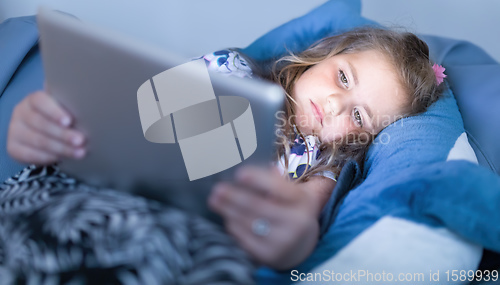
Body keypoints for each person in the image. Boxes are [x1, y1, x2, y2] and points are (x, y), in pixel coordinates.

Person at [2, 27, 443, 282]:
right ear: (322, 56)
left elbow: (299, 226)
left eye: (359, 117)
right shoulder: (232, 70)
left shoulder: (325, 165)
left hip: (186, 231)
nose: (334, 106)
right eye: (343, 78)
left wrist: (291, 242)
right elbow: (125, 116)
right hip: (98, 189)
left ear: (364, 139)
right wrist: (47, 128)